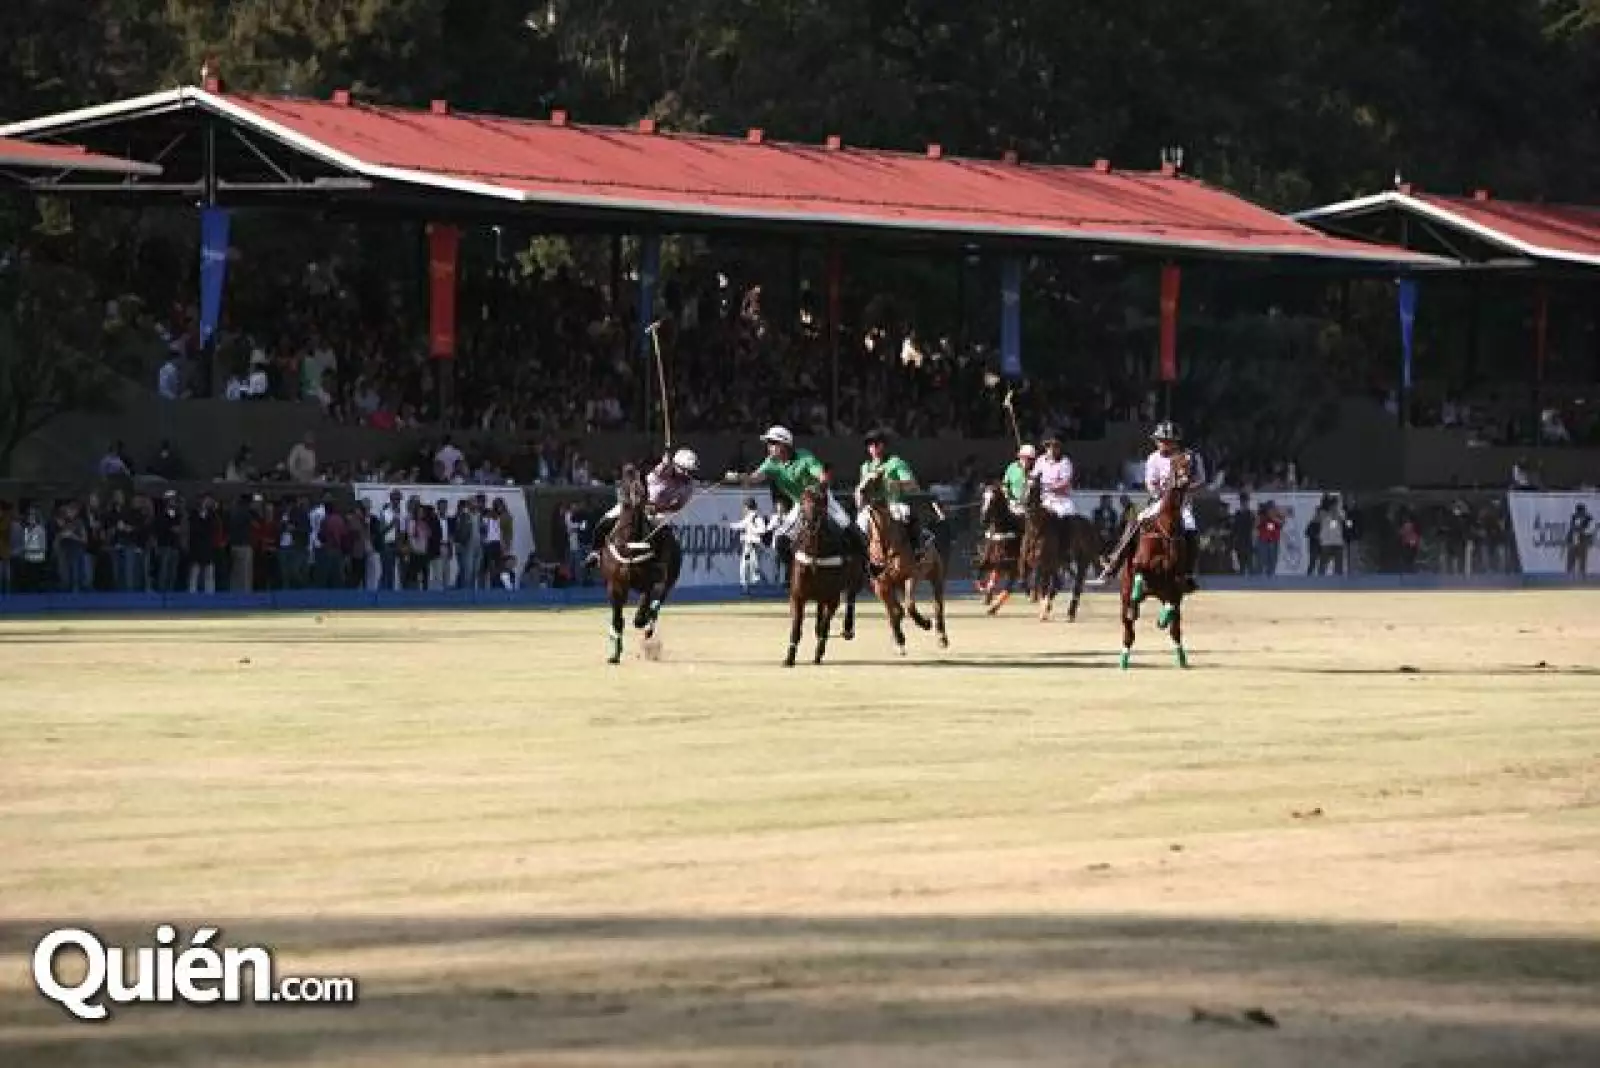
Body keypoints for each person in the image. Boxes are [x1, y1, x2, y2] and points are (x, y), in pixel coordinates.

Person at [1094, 421, 1200, 591]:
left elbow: (1199, 481)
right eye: (1161, 440)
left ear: (1175, 441)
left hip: (1182, 504)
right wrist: (1163, 493)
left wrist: (1186, 488)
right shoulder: (1153, 458)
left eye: (1168, 440)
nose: (1164, 443)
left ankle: (1188, 573)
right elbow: (1150, 483)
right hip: (1160, 501)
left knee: (1191, 529)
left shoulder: (1186, 457)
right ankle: (1112, 565)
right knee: (1135, 522)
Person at [726, 426, 856, 549]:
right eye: (768, 443)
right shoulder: (771, 463)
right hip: (799, 505)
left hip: (820, 500)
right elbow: (754, 478)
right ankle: (790, 570)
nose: (768, 447)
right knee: (779, 539)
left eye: (772, 443)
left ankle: (866, 559)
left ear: (784, 444)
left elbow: (820, 475)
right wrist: (738, 477)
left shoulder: (804, 456)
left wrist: (820, 484)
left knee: (845, 524)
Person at [589, 447, 700, 559]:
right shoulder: (663, 472)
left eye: (690, 471)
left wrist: (658, 508)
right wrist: (665, 462)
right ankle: (595, 552)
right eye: (684, 469)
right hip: (636, 503)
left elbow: (678, 506)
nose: (687, 473)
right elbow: (659, 471)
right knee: (603, 523)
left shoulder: (688, 486)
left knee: (669, 540)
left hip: (659, 513)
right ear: (675, 465)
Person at [856, 427, 929, 563]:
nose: (873, 448)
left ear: (883, 445)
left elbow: (912, 485)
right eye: (870, 445)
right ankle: (862, 558)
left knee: (904, 514)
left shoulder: (895, 463)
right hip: (873, 507)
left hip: (894, 503)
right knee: (860, 523)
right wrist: (862, 488)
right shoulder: (865, 467)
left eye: (876, 444)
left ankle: (918, 548)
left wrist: (893, 483)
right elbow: (860, 493)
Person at [730, 497, 768, 594]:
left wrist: (752, 530)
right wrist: (730, 525)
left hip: (754, 545)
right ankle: (746, 586)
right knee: (744, 565)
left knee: (752, 565)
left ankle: (755, 578)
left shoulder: (757, 518)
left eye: (744, 507)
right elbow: (741, 525)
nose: (743, 509)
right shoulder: (749, 518)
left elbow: (763, 530)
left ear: (747, 507)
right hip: (748, 545)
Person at [1002, 444, 1037, 516]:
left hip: (1029, 507)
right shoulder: (1012, 467)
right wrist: (1009, 498)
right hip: (1012, 504)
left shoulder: (1035, 470)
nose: (1027, 461)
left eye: (1030, 459)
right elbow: (1005, 485)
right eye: (1025, 458)